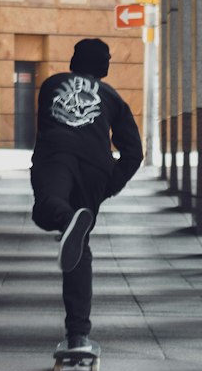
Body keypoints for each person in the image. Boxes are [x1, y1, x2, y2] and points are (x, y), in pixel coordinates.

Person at [30, 37, 143, 354]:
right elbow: (134, 153)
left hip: (57, 156)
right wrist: (108, 185)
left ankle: (67, 220)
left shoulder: (51, 84)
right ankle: (78, 335)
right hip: (97, 168)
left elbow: (46, 125)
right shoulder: (113, 98)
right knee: (78, 249)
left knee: (45, 209)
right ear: (104, 67)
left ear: (74, 61)